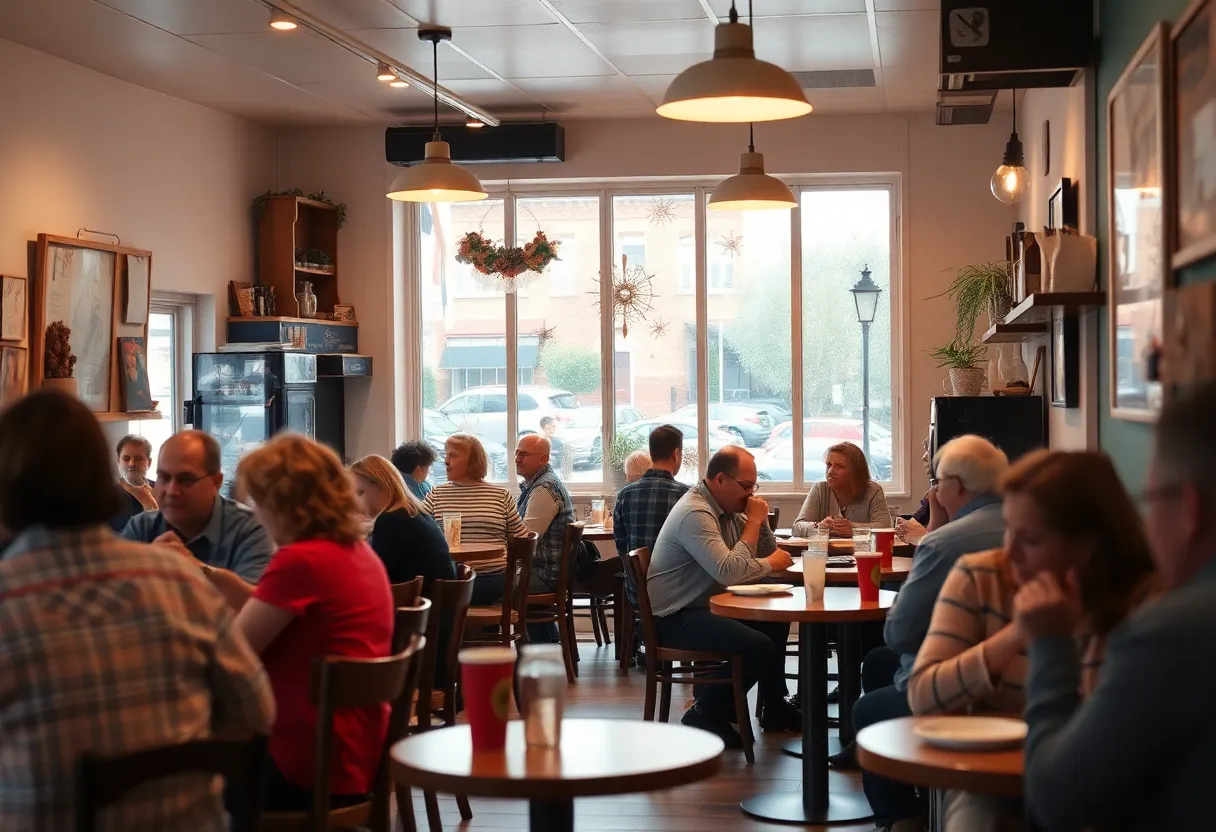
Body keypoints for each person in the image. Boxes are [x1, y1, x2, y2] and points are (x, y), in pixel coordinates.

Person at [0, 390, 273, 829]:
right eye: (162, 477)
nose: (169, 490)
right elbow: (256, 712)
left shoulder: (11, 600)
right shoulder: (176, 578)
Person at [908, 450, 1156, 832]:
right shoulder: (982, 576)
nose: (1010, 553)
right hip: (992, 785)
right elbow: (922, 694)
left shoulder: (1145, 604)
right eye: (1009, 530)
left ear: (1090, 547)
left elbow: (1113, 749)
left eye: (1032, 540)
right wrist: (1016, 635)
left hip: (1103, 793)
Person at [1015, 386, 1216, 832]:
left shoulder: (1167, 634)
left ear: (1190, 509)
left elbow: (1056, 798)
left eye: (1151, 500)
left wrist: (1050, 647)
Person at [219, 434, 394, 812]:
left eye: (258, 503)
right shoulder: (356, 552)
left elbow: (229, 658)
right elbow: (290, 623)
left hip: (305, 762)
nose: (256, 515)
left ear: (281, 505)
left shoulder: (299, 561)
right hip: (358, 752)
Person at [846, 435, 1009, 826]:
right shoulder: (1024, 523)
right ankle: (914, 776)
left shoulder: (946, 543)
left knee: (867, 709)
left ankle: (903, 817)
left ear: (954, 487)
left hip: (965, 685)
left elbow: (900, 634)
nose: (934, 490)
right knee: (877, 663)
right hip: (1018, 668)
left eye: (937, 482)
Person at [647, 447, 799, 745]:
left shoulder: (727, 509)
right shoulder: (696, 513)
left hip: (704, 606)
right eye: (746, 486)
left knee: (775, 620)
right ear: (720, 480)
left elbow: (765, 551)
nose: (750, 493)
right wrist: (755, 527)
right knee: (758, 646)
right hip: (674, 615)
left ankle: (774, 707)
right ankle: (705, 710)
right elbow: (731, 572)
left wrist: (760, 519)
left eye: (754, 486)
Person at [121, 431, 273, 584]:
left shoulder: (249, 530)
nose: (172, 491)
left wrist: (192, 567)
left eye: (186, 479)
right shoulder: (142, 527)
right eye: (164, 478)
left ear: (216, 482)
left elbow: (256, 601)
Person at [613, 425, 689, 667]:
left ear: (651, 452)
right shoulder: (686, 496)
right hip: (679, 593)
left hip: (638, 592)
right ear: (677, 454)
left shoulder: (624, 495)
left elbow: (622, 548)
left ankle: (645, 640)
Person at [422, 433, 528, 605]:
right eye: (445, 455)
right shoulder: (436, 494)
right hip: (451, 576)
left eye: (453, 456)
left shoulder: (500, 495)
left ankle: (457, 630)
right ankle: (470, 630)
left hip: (492, 579)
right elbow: (418, 530)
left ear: (473, 461)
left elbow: (522, 540)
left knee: (437, 593)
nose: (446, 461)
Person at [351, 454, 455, 590]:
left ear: (380, 486)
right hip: (436, 604)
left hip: (416, 606)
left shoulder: (390, 520)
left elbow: (377, 575)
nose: (356, 503)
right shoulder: (414, 512)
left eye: (360, 492)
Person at [515, 434, 575, 642]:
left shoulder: (544, 489)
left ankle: (487, 656)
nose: (517, 458)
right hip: (547, 572)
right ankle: (545, 644)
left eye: (523, 454)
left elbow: (525, 541)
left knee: (489, 588)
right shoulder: (540, 484)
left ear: (543, 459)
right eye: (516, 453)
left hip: (544, 575)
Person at [791, 441, 891, 537]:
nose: (830, 471)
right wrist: (819, 526)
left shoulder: (873, 491)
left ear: (856, 472)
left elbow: (884, 527)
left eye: (839, 466)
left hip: (861, 552)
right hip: (825, 553)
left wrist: (854, 529)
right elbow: (797, 526)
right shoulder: (820, 489)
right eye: (829, 465)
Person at [896, 435, 943, 544]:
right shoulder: (934, 491)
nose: (923, 457)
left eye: (928, 450)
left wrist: (923, 538)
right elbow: (914, 523)